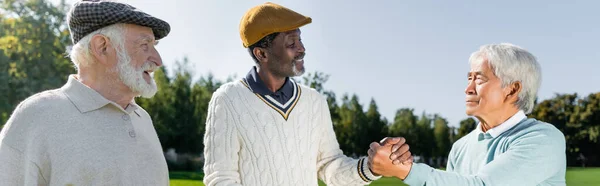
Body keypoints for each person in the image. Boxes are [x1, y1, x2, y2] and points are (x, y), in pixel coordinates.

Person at [202, 2, 411, 186]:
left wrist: (370, 167)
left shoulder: (314, 101)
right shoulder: (228, 99)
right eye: (291, 43)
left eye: (300, 40)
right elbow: (220, 178)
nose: (302, 49)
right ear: (262, 53)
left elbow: (329, 165)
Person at [0, 0, 171, 185]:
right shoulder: (36, 116)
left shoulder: (142, 119)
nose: (157, 60)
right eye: (145, 45)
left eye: (155, 46)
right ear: (102, 47)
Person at [368, 43, 567, 186]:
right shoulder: (460, 147)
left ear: (513, 89)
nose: (468, 89)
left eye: (479, 79)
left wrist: (405, 170)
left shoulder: (544, 140)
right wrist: (398, 159)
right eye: (469, 78)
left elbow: (482, 184)